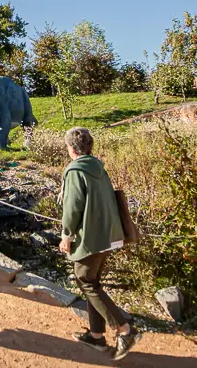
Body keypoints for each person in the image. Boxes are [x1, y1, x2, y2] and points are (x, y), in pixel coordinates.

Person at [58, 127, 141, 361]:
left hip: (92, 238)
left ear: (71, 149)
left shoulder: (75, 171)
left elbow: (73, 206)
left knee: (85, 280)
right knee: (92, 282)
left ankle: (125, 330)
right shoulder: (98, 167)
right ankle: (96, 336)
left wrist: (67, 236)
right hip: (110, 235)